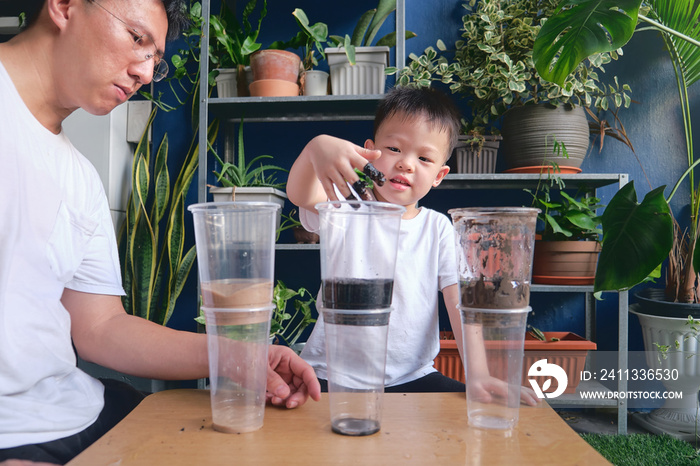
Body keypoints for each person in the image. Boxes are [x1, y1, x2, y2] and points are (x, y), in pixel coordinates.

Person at [0, 1, 320, 464]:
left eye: (156, 57)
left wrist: (238, 357)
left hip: (80, 411)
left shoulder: (80, 177)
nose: (147, 73)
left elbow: (100, 327)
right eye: (137, 38)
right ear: (65, 6)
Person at [287, 86, 540, 402]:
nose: (406, 164)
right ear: (369, 152)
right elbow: (301, 194)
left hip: (412, 377)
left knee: (467, 410)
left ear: (439, 175)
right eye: (393, 148)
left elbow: (460, 303)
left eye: (423, 157)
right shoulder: (345, 208)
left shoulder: (438, 229)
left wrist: (478, 374)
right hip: (329, 374)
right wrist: (317, 148)